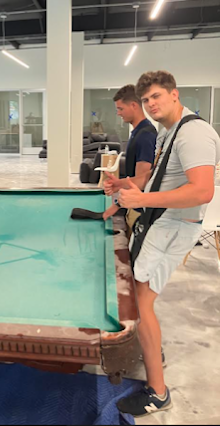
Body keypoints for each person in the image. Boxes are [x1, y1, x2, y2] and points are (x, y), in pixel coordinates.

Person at [104, 71, 220, 417]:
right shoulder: (171, 130)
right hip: (160, 222)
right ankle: (152, 352)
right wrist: (127, 190)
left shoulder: (194, 133)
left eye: (156, 96)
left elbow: (202, 191)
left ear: (174, 94)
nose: (151, 104)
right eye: (146, 100)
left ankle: (157, 391)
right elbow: (156, 178)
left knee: (140, 304)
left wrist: (145, 197)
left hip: (173, 227)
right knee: (141, 302)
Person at [102, 85, 157, 233]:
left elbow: (140, 181)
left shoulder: (145, 135)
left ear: (133, 105)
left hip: (139, 211)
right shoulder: (137, 132)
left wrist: (115, 206)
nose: (118, 113)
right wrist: (118, 184)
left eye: (120, 109)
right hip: (132, 207)